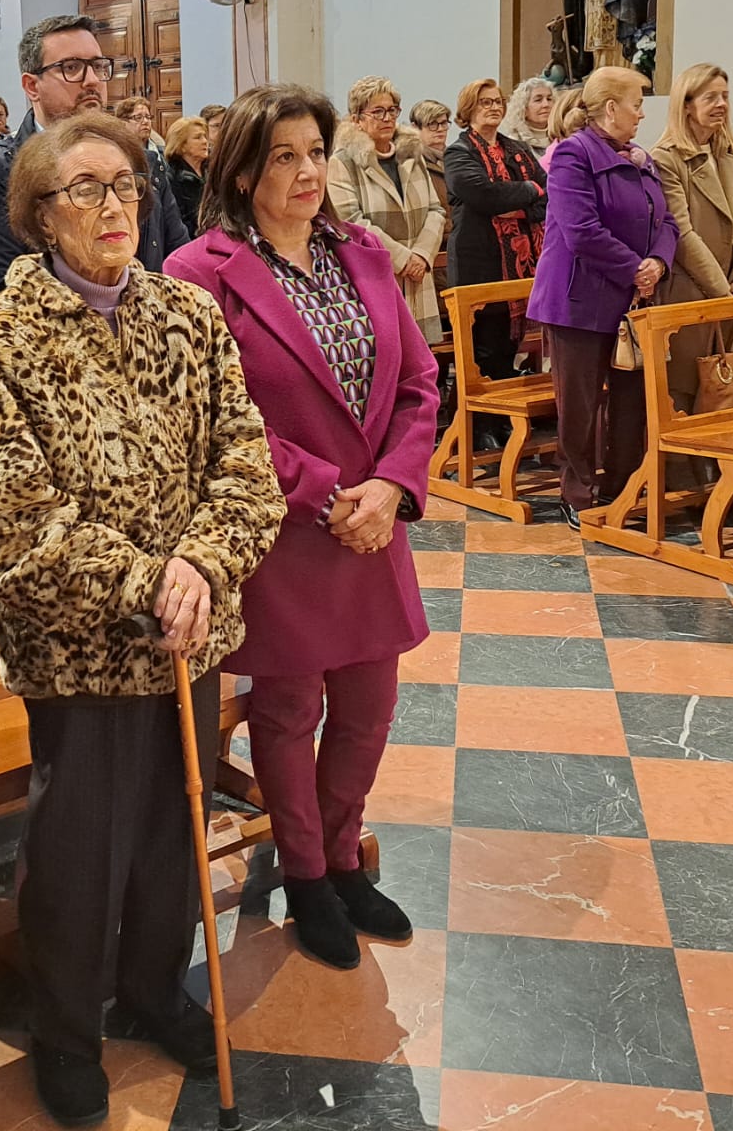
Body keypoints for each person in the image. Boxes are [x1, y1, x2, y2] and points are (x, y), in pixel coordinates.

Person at [0, 112, 285, 1125]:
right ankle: (65, 1029)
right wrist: (147, 582)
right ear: (36, 215)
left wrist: (200, 564)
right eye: (85, 189)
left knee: (168, 832)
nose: (113, 206)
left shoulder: (187, 312)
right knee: (77, 847)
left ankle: (147, 991)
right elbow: (9, 510)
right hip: (78, 641)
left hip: (190, 625)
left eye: (126, 185)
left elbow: (245, 462)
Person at [166, 85, 438, 971]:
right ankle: (309, 873)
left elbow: (418, 384)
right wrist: (329, 494)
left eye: (316, 151)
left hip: (374, 519)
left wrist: (393, 486)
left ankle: (344, 852)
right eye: (284, 156)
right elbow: (220, 414)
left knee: (368, 704)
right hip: (283, 523)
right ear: (242, 170)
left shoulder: (362, 252)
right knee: (289, 708)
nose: (308, 171)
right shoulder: (198, 273)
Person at [529, 68, 678, 525]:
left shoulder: (638, 157)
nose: (642, 112)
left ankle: (623, 485)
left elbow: (666, 220)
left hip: (631, 299)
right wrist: (634, 268)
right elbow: (580, 231)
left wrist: (658, 261)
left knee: (632, 397)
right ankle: (577, 492)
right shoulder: (574, 155)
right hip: (577, 299)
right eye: (637, 102)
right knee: (580, 402)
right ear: (610, 108)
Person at [0, 14, 188, 296]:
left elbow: (177, 266)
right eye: (72, 67)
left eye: (98, 66)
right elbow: (1, 292)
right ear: (32, 86)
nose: (92, 81)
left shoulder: (143, 163)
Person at [651, 63, 733, 413]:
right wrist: (720, 289)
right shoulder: (667, 159)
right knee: (685, 389)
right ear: (686, 104)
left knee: (725, 388)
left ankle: (718, 466)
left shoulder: (728, 155)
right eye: (710, 97)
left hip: (730, 289)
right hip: (691, 290)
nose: (722, 104)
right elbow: (681, 230)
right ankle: (681, 468)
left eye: (725, 96)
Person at [443, 78, 545, 403]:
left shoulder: (517, 150)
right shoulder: (458, 152)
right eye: (485, 102)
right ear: (469, 108)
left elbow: (550, 195)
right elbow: (483, 196)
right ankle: (478, 425)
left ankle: (502, 418)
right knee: (480, 351)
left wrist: (522, 207)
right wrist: (528, 191)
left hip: (518, 266)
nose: (494, 107)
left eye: (498, 101)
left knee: (506, 348)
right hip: (480, 264)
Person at [329, 76, 446, 344]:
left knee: (424, 362)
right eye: (377, 111)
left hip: (418, 276)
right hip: (377, 275)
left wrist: (421, 256)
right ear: (357, 118)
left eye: (392, 110)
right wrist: (403, 259)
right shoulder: (343, 162)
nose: (387, 118)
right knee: (388, 357)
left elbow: (435, 209)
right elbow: (352, 222)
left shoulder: (410, 154)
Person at [165, 115, 209, 229]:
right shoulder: (171, 177)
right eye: (197, 137)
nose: (205, 141)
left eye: (204, 136)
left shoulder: (212, 170)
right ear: (182, 145)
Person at [411, 99, 452, 215]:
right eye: (432, 124)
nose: (440, 129)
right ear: (415, 128)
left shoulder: (457, 158)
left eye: (444, 123)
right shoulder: (412, 163)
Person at [501, 75, 556, 153]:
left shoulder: (564, 137)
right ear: (524, 108)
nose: (546, 104)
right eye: (538, 100)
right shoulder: (513, 143)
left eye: (549, 99)